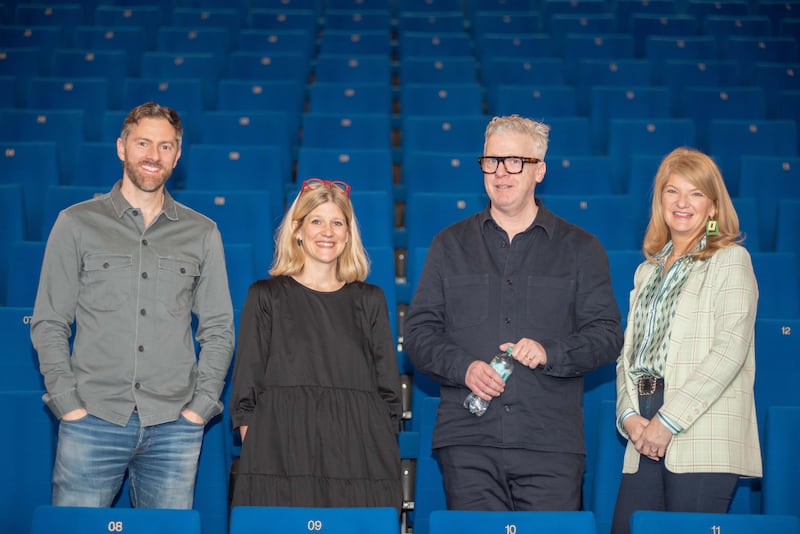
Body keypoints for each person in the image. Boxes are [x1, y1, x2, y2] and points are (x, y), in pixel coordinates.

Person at [404, 114, 624, 511]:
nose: (501, 173)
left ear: (539, 170)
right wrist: (464, 368)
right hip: (469, 442)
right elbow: (419, 334)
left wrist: (550, 352)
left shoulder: (581, 249)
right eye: (491, 161)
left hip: (550, 445)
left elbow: (607, 335)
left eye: (514, 162)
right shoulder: (448, 245)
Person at [30, 102, 235, 509]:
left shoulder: (202, 232)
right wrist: (69, 405)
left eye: (165, 146)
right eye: (143, 143)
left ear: (177, 156)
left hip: (174, 426)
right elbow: (50, 322)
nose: (152, 156)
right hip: (92, 420)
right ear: (121, 147)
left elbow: (219, 328)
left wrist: (199, 408)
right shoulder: (75, 223)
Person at [611, 147, 762, 532]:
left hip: (700, 429)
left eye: (695, 193)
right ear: (660, 200)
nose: (682, 203)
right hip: (642, 426)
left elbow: (730, 349)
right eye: (672, 191)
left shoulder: (730, 260)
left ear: (713, 207)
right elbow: (628, 356)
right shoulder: (647, 270)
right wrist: (629, 417)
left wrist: (667, 421)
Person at [229, 178, 403, 512]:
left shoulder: (371, 300)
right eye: (317, 221)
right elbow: (247, 385)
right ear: (297, 229)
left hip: (358, 456)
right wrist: (264, 451)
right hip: (281, 454)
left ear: (349, 234)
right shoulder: (265, 296)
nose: (328, 231)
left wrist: (377, 442)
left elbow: (389, 390)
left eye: (337, 222)